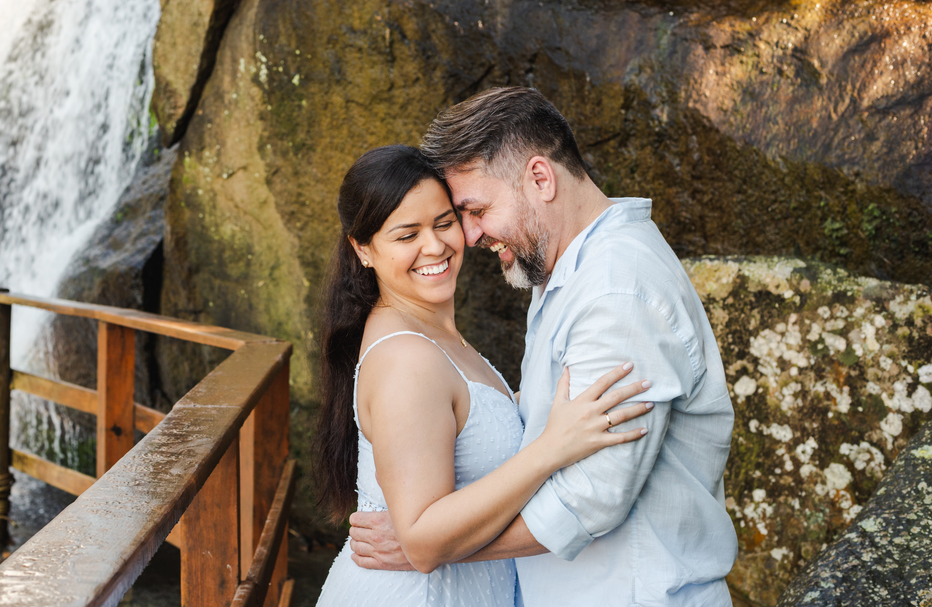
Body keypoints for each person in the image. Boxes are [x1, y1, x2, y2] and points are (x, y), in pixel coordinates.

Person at [349, 88, 739, 606]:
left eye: (474, 210)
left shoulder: (615, 291)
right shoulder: (563, 273)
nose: (467, 236)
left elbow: (592, 496)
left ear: (540, 177)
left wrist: (431, 545)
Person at [313, 144, 654, 606]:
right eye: (406, 234)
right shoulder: (406, 359)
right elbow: (422, 540)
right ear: (363, 249)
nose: (434, 247)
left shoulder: (432, 333)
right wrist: (553, 447)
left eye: (444, 222)